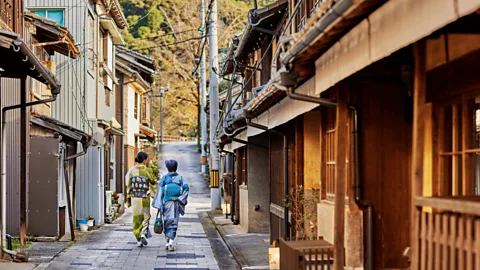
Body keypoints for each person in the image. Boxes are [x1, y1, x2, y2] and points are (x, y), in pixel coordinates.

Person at [152, 159, 189, 251]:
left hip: (166, 203)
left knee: (167, 222)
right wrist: (179, 198)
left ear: (167, 168)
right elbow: (185, 189)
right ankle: (171, 241)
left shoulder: (165, 178)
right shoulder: (180, 178)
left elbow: (160, 191)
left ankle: (168, 241)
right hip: (176, 203)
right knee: (174, 222)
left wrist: (159, 204)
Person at [125, 152, 158, 247]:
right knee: (145, 216)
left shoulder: (131, 171)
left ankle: (138, 238)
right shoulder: (147, 170)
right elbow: (152, 181)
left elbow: (127, 183)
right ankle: (143, 233)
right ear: (144, 160)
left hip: (135, 197)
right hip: (144, 197)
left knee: (136, 218)